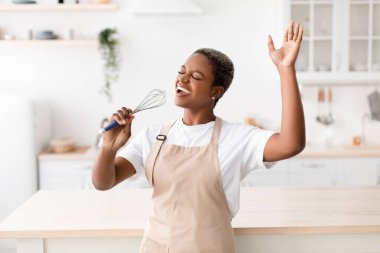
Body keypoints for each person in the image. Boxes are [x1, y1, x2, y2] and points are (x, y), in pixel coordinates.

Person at [92, 21, 305, 253]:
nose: (182, 79)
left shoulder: (236, 138)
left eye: (195, 76)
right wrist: (108, 148)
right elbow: (104, 182)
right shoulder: (153, 136)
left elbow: (291, 144)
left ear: (216, 92)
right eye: (181, 71)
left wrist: (286, 69)